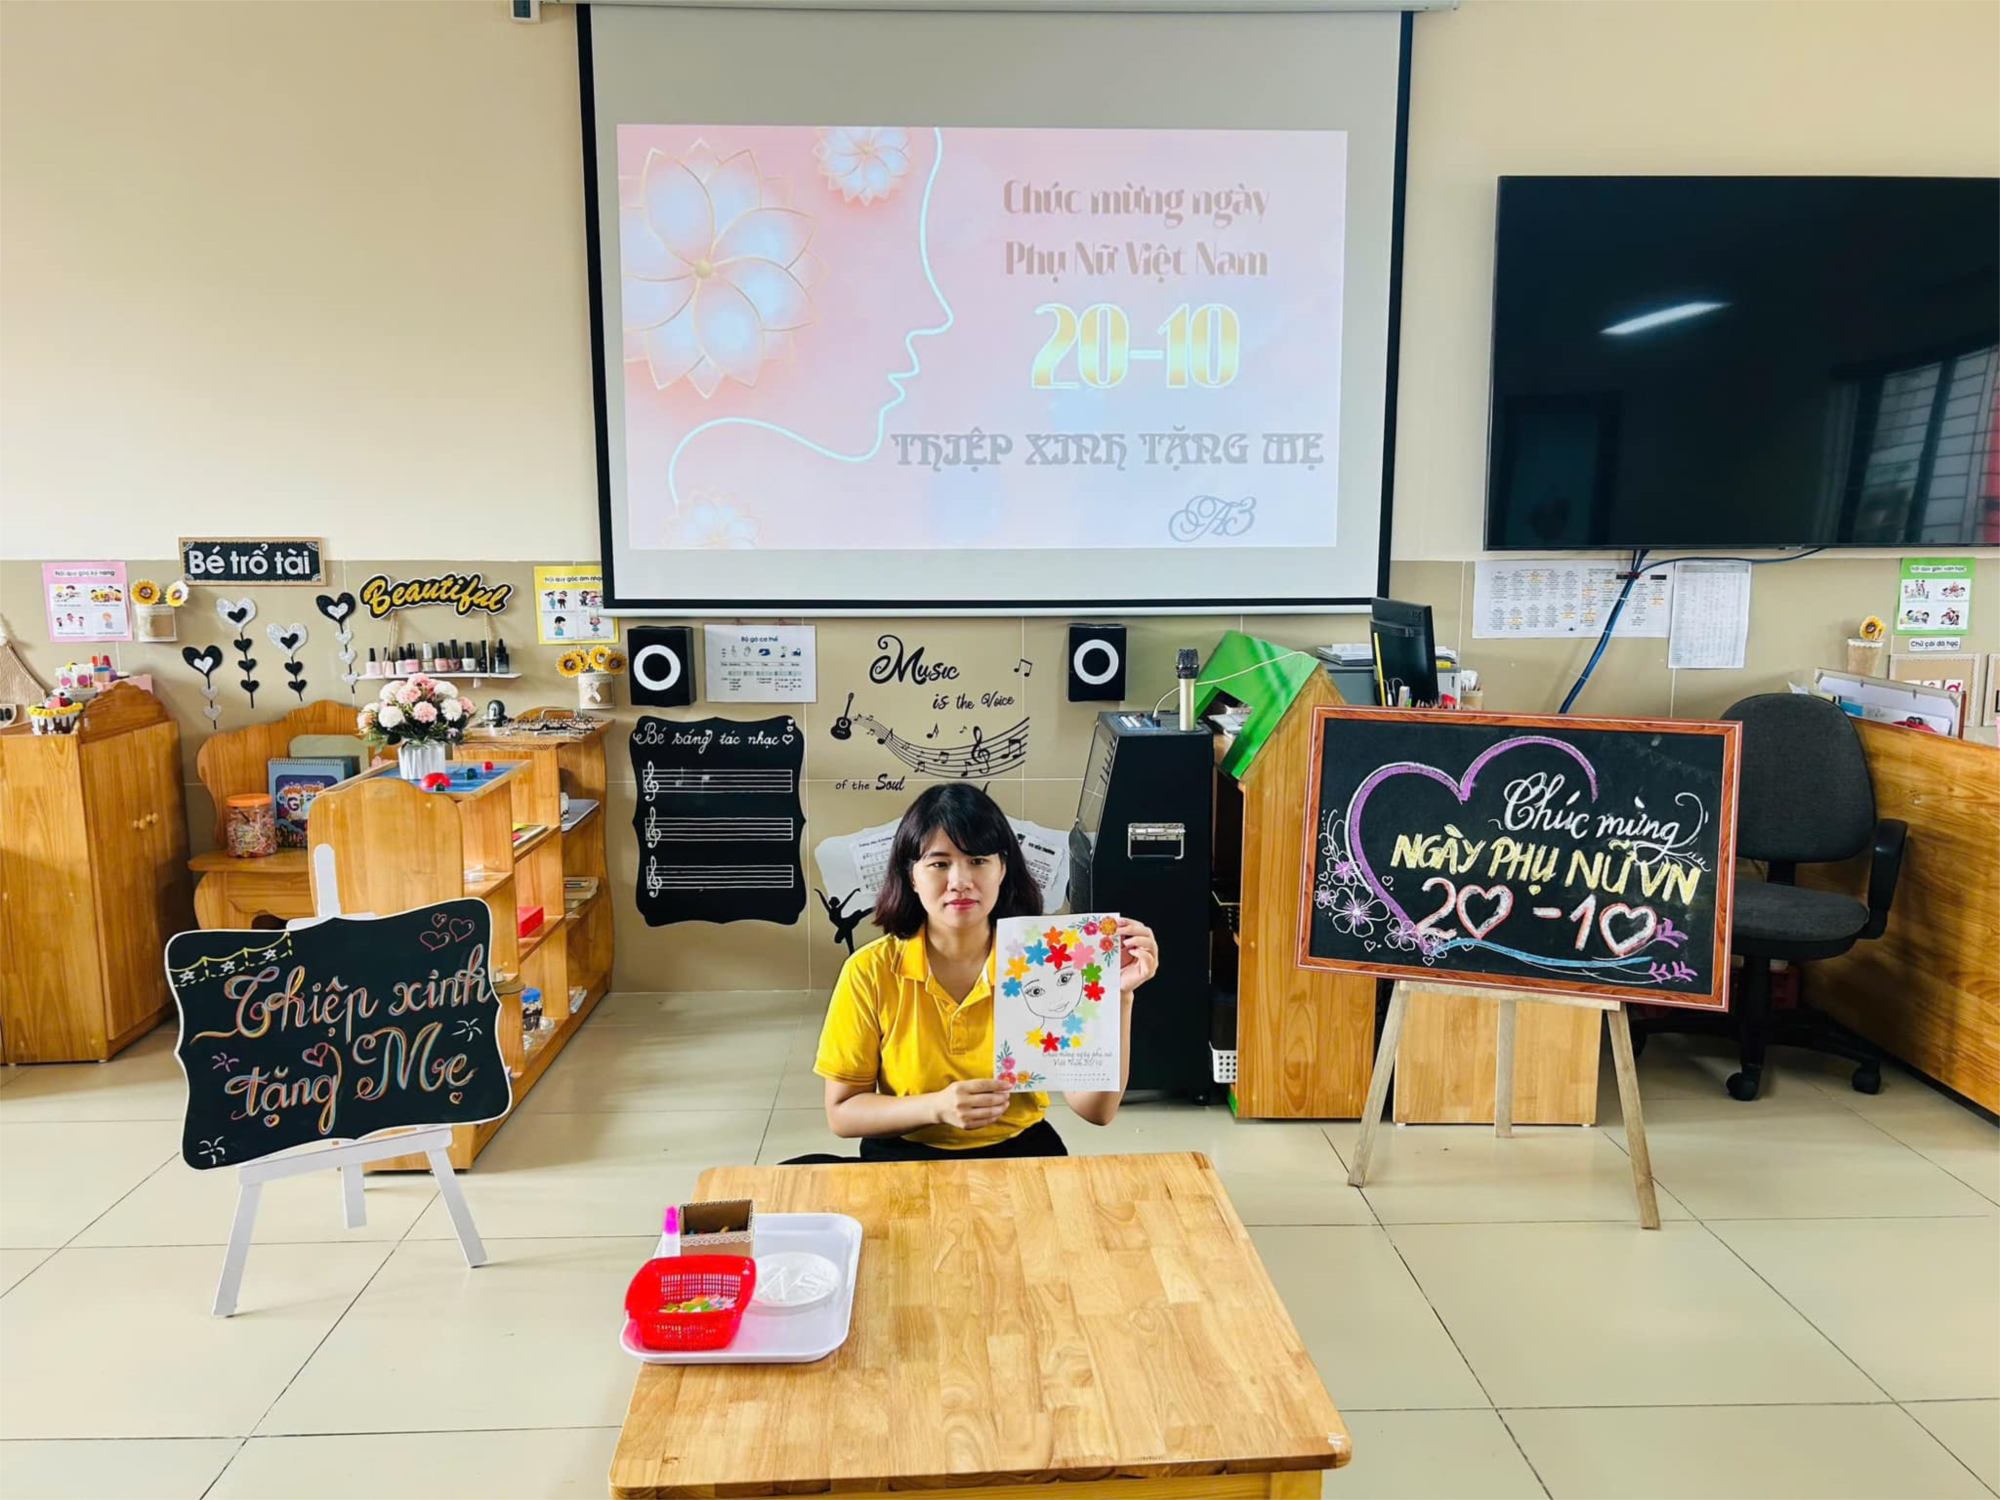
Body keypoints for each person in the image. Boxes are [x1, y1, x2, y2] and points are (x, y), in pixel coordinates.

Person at [795, 783, 1158, 1163]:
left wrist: (1119, 997)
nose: (960, 881)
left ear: (1003, 869)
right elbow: (842, 1112)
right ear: (911, 875)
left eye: (978, 860)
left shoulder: (1044, 962)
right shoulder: (869, 970)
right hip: (901, 1153)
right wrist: (936, 1107)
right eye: (939, 863)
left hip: (1022, 1153)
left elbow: (1096, 1110)